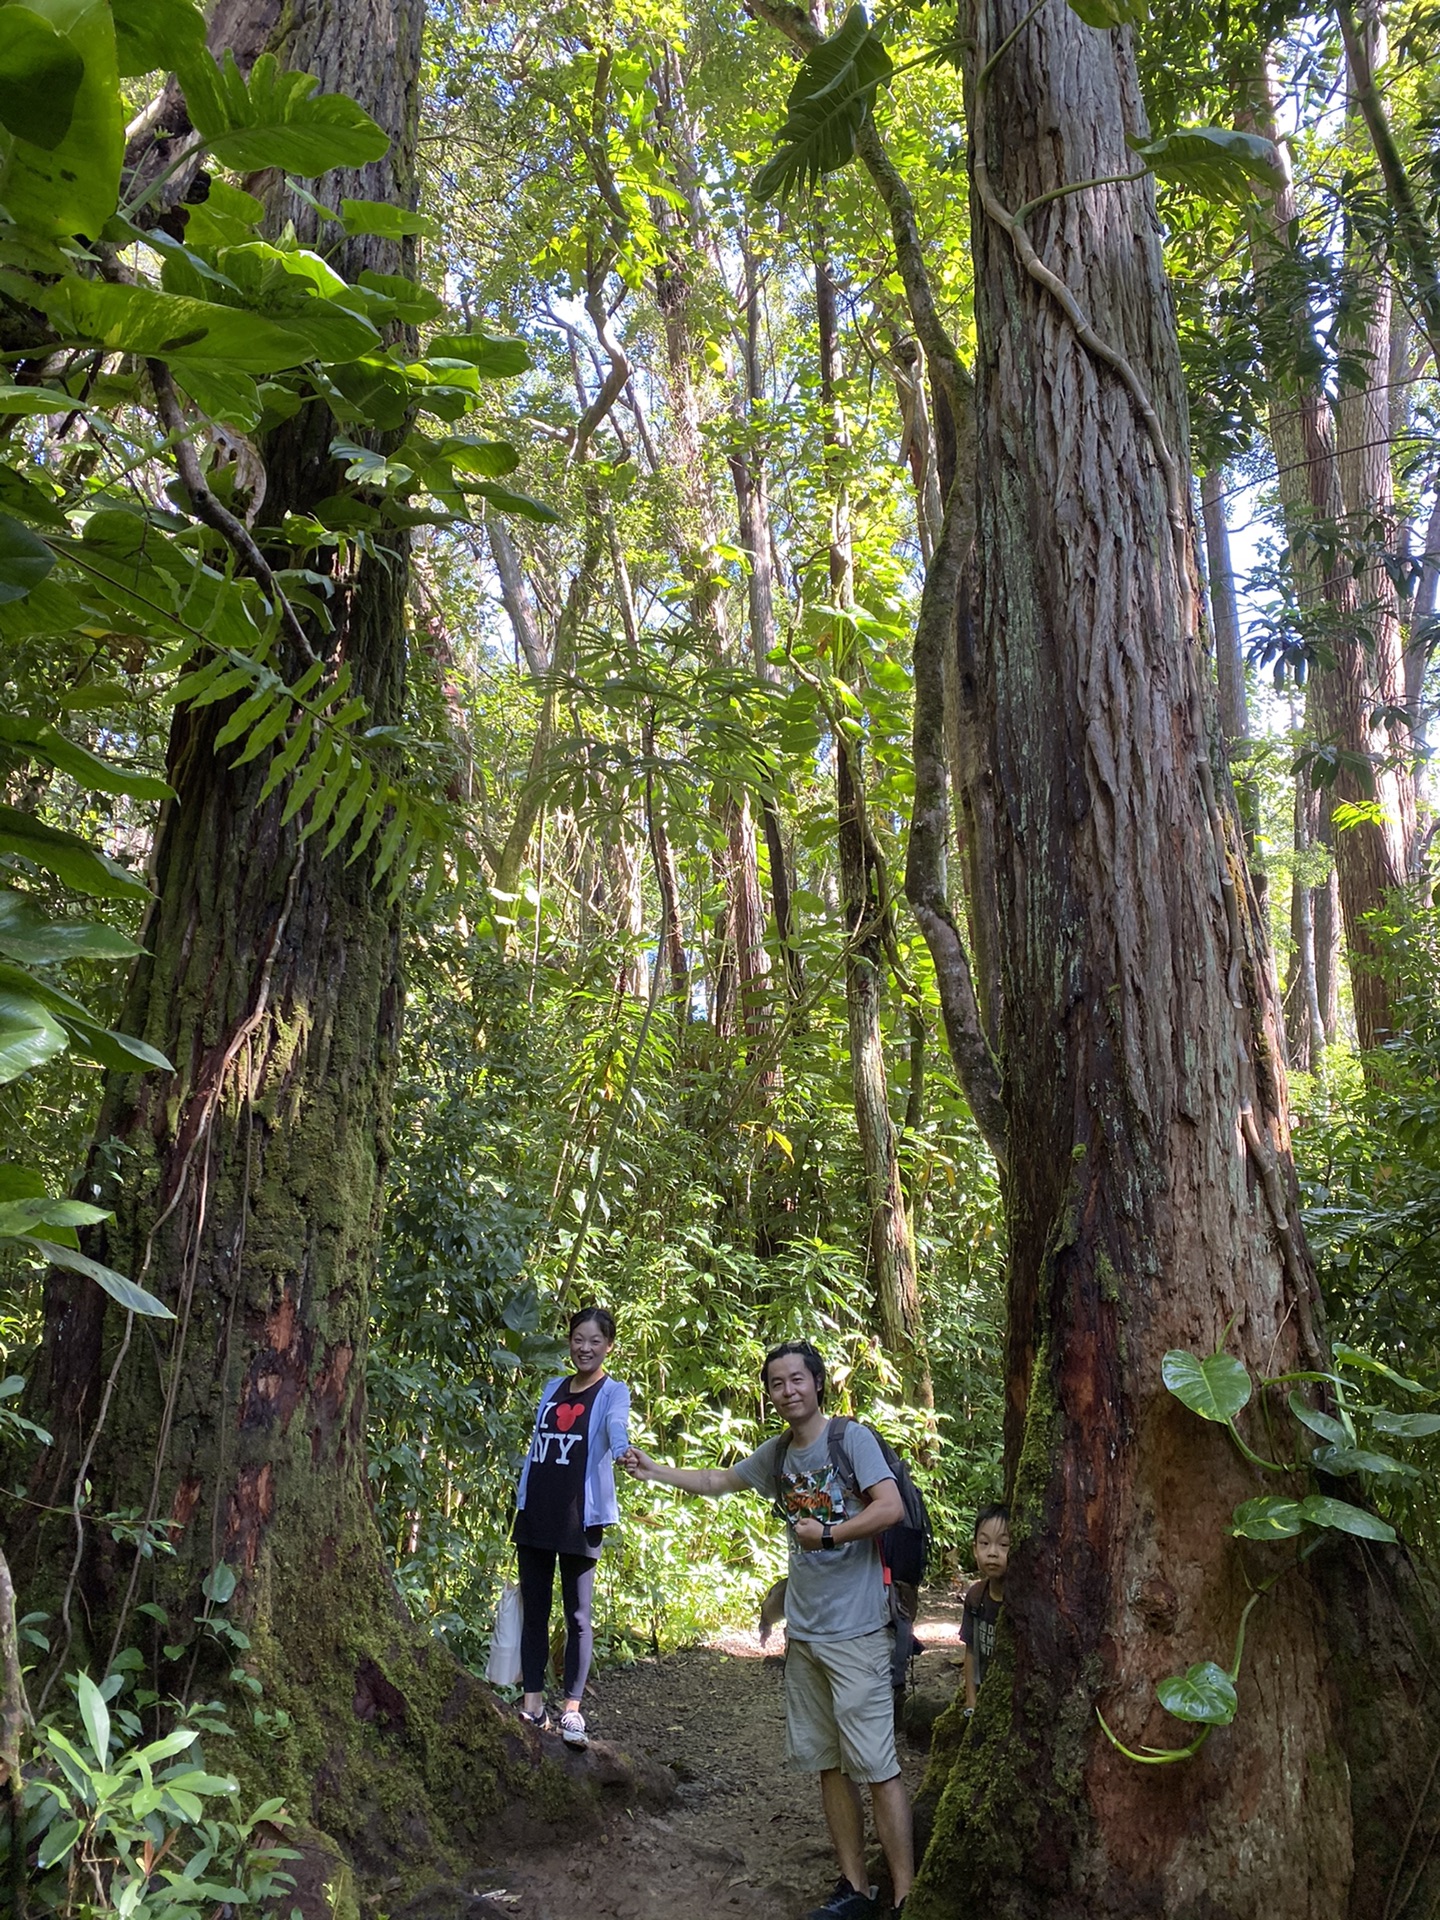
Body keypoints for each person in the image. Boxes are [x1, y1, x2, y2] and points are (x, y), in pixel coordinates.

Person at [624, 1340, 914, 1920]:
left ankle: (907, 1895)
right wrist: (654, 1470)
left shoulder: (849, 1440)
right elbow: (719, 1479)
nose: (788, 1390)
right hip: (804, 1636)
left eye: (797, 1379)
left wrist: (829, 1536)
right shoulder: (779, 1453)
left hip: (857, 1631)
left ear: (817, 1382)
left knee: (878, 1765)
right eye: (777, 1383)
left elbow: (891, 1508)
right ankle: (855, 1890)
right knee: (829, 1764)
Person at [511, 1306, 631, 1750]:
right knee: (535, 1610)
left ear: (608, 1346)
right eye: (579, 1339)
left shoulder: (613, 1391)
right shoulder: (552, 1388)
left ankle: (573, 1711)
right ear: (569, 1341)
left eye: (595, 1341)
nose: (585, 1348)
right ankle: (533, 1704)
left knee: (578, 1615)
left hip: (581, 1515)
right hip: (537, 1511)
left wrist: (623, 1451)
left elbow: (617, 1426)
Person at [960, 1503, 1009, 1716]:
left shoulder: (1022, 1604)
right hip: (985, 1696)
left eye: (1004, 1544)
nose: (992, 1553)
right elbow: (970, 1650)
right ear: (975, 1549)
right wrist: (971, 1700)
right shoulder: (975, 1597)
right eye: (984, 1543)